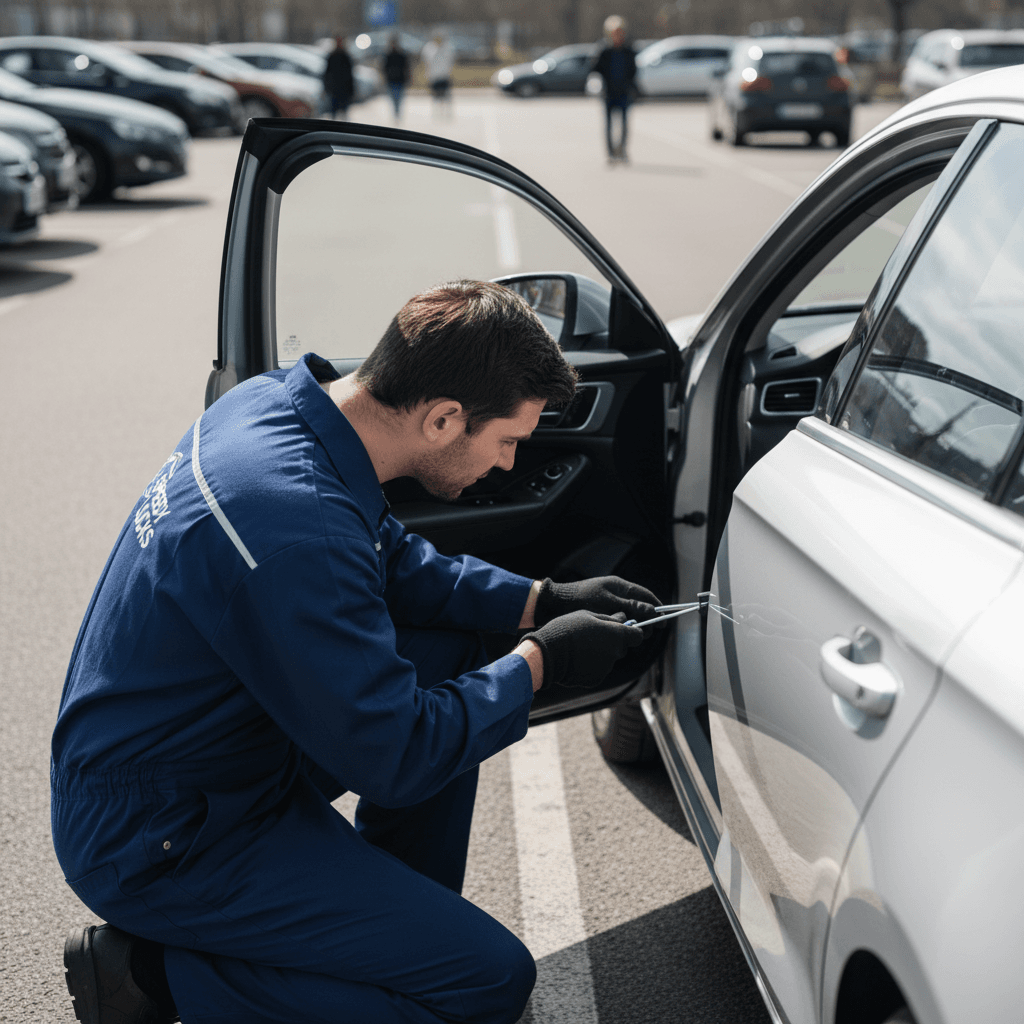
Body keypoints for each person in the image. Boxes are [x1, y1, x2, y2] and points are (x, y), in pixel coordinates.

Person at [54, 279, 662, 1024]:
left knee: (453, 654)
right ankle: (153, 976)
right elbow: (395, 754)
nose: (507, 465)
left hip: (206, 756)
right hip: (163, 835)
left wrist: (542, 600)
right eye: (508, 441)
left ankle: (384, 932)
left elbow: (391, 558)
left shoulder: (273, 406)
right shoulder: (296, 530)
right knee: (487, 981)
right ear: (443, 418)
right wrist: (541, 663)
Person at [592, 15, 637, 163]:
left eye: (619, 32)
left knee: (624, 125)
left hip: (624, 93)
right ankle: (611, 153)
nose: (617, 35)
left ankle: (622, 150)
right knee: (609, 126)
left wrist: (631, 87)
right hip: (608, 94)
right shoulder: (604, 51)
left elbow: (634, 71)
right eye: (614, 32)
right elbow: (595, 70)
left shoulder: (629, 51)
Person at [421, 31, 455, 117]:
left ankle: (446, 112)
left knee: (446, 95)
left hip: (444, 75)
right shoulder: (429, 48)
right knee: (435, 95)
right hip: (434, 76)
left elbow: (451, 61)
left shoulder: (448, 47)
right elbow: (427, 61)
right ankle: (437, 112)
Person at [323, 34, 355, 120]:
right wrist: (326, 87)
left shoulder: (346, 56)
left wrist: (351, 89)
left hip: (344, 89)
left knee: (344, 113)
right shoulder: (332, 56)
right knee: (333, 112)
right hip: (334, 89)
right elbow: (327, 72)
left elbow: (350, 74)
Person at [383, 33, 410, 122]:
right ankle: (396, 113)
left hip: (400, 80)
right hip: (391, 80)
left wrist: (408, 78)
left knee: (399, 99)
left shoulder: (402, 54)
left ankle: (397, 113)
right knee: (393, 99)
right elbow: (384, 68)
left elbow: (406, 67)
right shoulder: (387, 55)